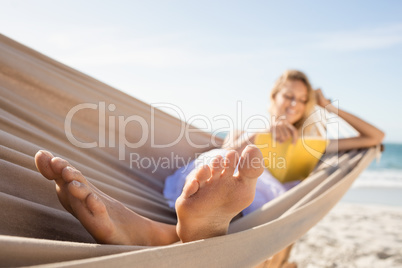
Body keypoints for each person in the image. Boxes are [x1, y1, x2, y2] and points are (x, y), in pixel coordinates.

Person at [35, 69, 384, 246]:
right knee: (229, 160)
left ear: (306, 104)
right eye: (286, 97)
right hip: (221, 176)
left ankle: (144, 231)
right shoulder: (255, 127)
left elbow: (374, 137)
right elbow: (230, 147)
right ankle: (200, 221)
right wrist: (264, 132)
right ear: (273, 98)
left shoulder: (312, 145)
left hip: (262, 202)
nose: (292, 104)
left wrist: (326, 107)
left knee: (249, 182)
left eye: (300, 100)